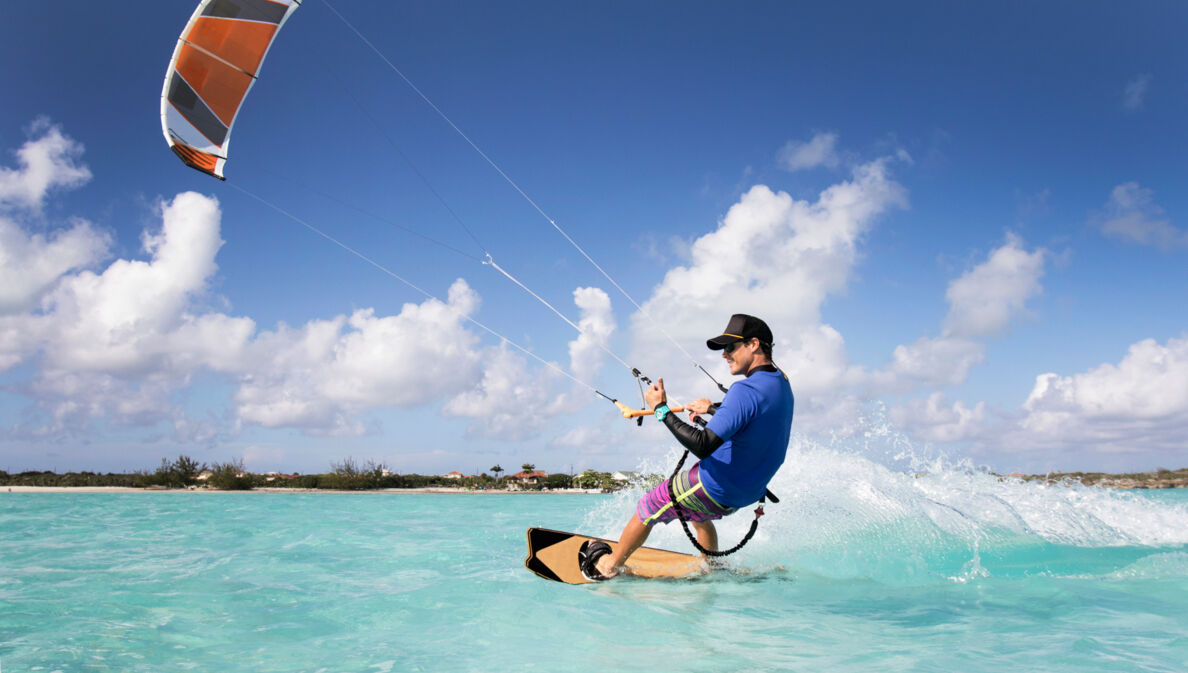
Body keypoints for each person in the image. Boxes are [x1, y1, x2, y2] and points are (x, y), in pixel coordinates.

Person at [589, 313, 795, 579]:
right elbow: (755, 416)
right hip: (747, 493)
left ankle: (609, 566)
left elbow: (702, 445)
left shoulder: (744, 390)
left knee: (649, 506)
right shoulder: (781, 383)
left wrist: (661, 410)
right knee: (697, 515)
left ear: (754, 344)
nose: (724, 354)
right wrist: (711, 409)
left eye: (730, 347)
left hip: (716, 487)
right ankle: (713, 567)